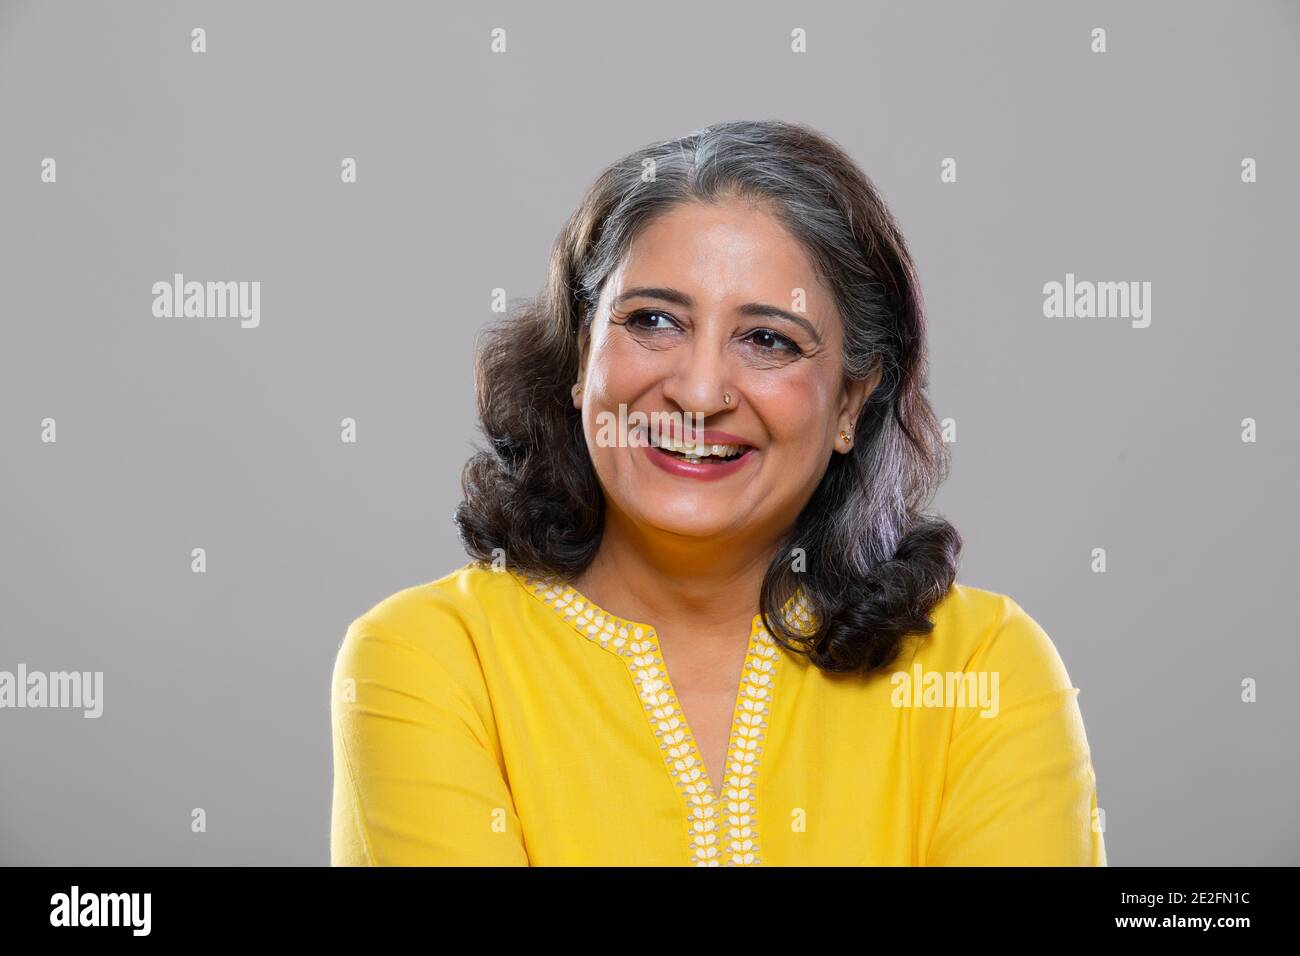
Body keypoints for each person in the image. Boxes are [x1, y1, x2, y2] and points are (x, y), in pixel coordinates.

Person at [330, 120, 1106, 866]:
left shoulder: (983, 668)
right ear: (579, 355)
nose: (700, 393)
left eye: (768, 339)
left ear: (848, 403)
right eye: (654, 320)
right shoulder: (431, 660)